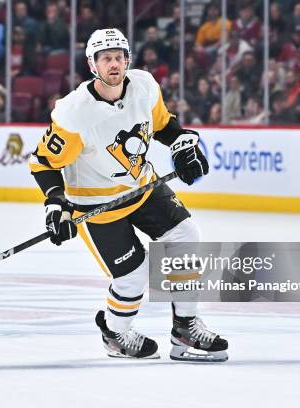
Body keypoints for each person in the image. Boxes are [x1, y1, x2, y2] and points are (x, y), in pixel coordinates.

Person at [28, 28, 228, 362]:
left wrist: (184, 145)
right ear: (92, 64)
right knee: (134, 276)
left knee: (186, 237)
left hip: (143, 188)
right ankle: (116, 333)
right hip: (98, 204)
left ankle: (185, 329)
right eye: (105, 58)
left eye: (119, 56)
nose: (114, 63)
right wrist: (55, 204)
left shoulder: (145, 86)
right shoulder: (75, 112)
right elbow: (43, 162)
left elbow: (163, 125)